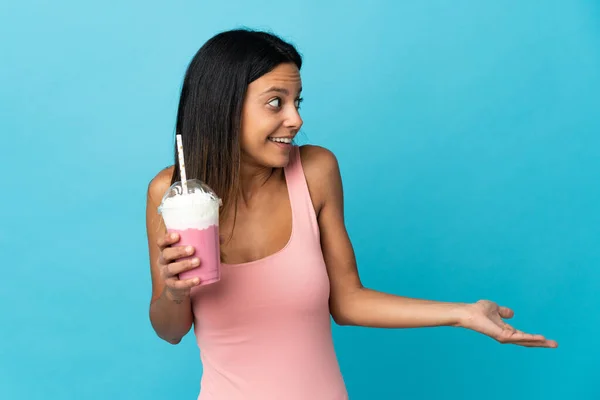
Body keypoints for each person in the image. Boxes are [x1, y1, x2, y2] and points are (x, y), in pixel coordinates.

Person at [145, 28, 557, 400]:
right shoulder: (172, 194)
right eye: (275, 103)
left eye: (296, 101)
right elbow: (170, 330)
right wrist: (174, 293)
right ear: (225, 107)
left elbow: (348, 301)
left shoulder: (315, 172)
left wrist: (463, 313)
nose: (296, 119)